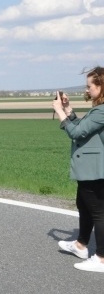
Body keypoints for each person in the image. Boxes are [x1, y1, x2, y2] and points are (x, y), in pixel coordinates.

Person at [53, 67, 104, 272]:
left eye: (89, 86)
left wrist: (59, 111)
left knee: (99, 212)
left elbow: (76, 133)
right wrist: (68, 110)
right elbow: (84, 129)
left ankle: (101, 258)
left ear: (101, 86)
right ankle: (81, 245)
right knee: (83, 204)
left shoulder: (102, 111)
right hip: (90, 169)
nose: (87, 90)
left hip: (95, 170)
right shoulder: (98, 111)